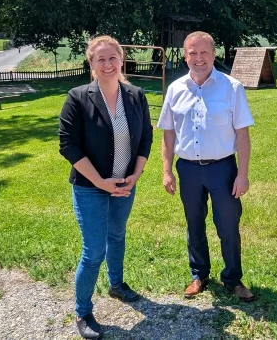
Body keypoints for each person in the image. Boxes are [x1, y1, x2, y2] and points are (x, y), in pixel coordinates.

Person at [58, 35, 153, 339]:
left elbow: (146, 137)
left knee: (118, 235)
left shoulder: (136, 95)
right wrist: (101, 182)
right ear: (92, 63)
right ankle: (83, 311)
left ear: (121, 59)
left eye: (113, 58)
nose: (108, 64)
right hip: (90, 187)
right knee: (94, 250)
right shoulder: (78, 97)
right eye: (101, 59)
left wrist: (135, 175)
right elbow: (68, 146)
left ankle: (117, 284)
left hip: (125, 184)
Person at [157, 31, 256, 302]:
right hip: (187, 169)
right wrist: (167, 171)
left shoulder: (232, 87)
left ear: (214, 55)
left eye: (204, 53)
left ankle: (233, 279)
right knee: (194, 223)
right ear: (186, 56)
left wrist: (243, 174)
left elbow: (243, 134)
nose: (198, 59)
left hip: (222, 169)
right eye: (192, 53)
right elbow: (168, 133)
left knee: (227, 225)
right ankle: (199, 274)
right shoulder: (176, 89)